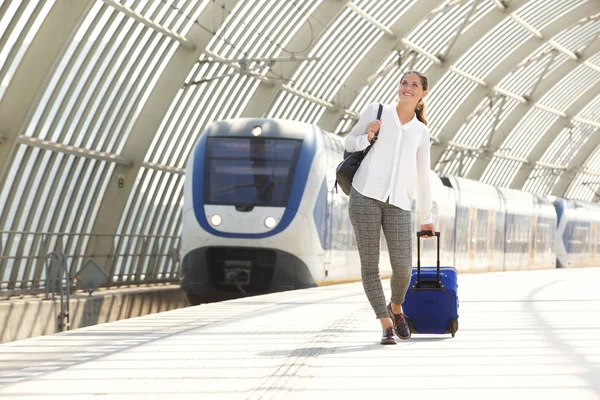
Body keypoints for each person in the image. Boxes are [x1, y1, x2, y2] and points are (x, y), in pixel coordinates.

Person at [345, 70, 435, 345]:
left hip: (399, 203)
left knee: (403, 267)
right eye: (404, 83)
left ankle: (396, 308)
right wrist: (367, 137)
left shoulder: (421, 131)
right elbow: (349, 143)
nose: (407, 88)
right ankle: (385, 324)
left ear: (423, 94)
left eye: (414, 85)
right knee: (370, 265)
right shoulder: (377, 110)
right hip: (365, 196)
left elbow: (423, 174)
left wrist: (426, 217)